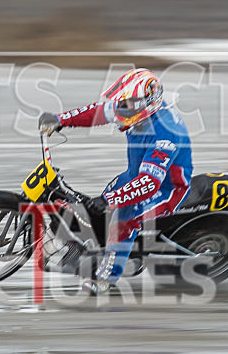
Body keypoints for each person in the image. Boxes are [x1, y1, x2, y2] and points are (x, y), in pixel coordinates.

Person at [38, 68, 193, 294]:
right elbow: (98, 112)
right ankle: (99, 247)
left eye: (127, 105)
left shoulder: (166, 134)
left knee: (123, 219)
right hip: (136, 174)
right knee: (99, 207)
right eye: (123, 103)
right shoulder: (133, 107)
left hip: (166, 188)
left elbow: (149, 184)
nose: (121, 109)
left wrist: (110, 199)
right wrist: (60, 119)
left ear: (146, 103)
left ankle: (106, 278)